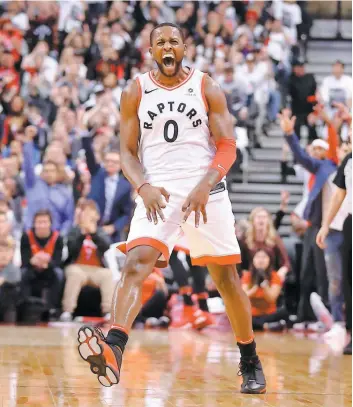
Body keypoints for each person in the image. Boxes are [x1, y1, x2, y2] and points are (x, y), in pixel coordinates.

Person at [77, 22, 266, 394]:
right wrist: (143, 185)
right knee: (135, 263)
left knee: (226, 280)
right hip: (158, 190)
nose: (167, 46)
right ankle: (114, 347)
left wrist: (205, 183)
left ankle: (249, 360)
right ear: (151, 50)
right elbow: (127, 153)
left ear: (183, 47)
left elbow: (228, 145)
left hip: (205, 187)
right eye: (160, 41)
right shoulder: (135, 91)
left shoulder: (205, 85)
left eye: (173, 41)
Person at [279, 109, 336, 325]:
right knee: (306, 272)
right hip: (313, 225)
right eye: (314, 148)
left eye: (320, 148)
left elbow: (332, 138)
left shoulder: (332, 165)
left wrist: (330, 122)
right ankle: (305, 315)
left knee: (324, 274)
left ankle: (329, 316)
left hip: (329, 226)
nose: (315, 151)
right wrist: (289, 134)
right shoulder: (317, 167)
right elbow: (300, 156)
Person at [317, 146, 352, 354]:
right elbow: (338, 194)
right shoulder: (348, 160)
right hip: (351, 222)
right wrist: (325, 225)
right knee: (349, 281)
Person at [61, 199, 113, 321]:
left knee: (107, 274)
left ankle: (108, 312)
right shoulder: (74, 230)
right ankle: (67, 311)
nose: (88, 214)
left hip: (96, 270)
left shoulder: (100, 232)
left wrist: (93, 233)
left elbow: (106, 246)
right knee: (74, 274)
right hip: (77, 267)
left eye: (91, 211)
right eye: (85, 211)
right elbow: (72, 249)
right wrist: (82, 234)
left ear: (97, 215)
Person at [21, 209, 64, 318]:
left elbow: (57, 261)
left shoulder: (58, 237)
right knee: (22, 273)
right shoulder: (26, 236)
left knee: (58, 274)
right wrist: (33, 261)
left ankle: (53, 309)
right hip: (31, 268)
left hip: (49, 268)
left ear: (50, 224)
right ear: (34, 224)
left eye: (45, 222)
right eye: (39, 222)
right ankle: (23, 305)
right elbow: (24, 260)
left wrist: (46, 264)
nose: (42, 225)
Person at [242, 249, 287, 331]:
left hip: (269, 314)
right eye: (258, 257)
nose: (261, 260)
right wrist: (255, 287)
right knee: (239, 316)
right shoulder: (247, 276)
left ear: (270, 260)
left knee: (284, 312)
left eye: (264, 257)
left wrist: (265, 285)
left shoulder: (275, 276)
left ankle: (261, 326)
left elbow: (271, 298)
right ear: (253, 260)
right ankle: (266, 326)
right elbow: (243, 297)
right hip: (252, 315)